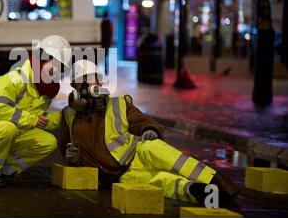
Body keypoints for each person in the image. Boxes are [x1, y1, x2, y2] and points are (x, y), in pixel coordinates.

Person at [60, 60, 240, 205]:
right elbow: (66, 150)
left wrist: (149, 129)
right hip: (115, 176)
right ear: (74, 87)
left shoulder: (118, 103)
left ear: (100, 82)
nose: (89, 84)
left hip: (136, 153)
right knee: (160, 181)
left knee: (158, 150)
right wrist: (73, 159)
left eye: (92, 79)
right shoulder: (68, 115)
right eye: (83, 80)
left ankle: (216, 181)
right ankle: (199, 193)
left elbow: (140, 120)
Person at [0, 35, 71, 187]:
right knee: (6, 128)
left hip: (11, 129)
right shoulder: (14, 79)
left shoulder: (43, 90)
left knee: (48, 142)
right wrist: (31, 120)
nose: (57, 70)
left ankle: (7, 171)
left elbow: (40, 120)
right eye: (55, 64)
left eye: (60, 66)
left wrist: (66, 113)